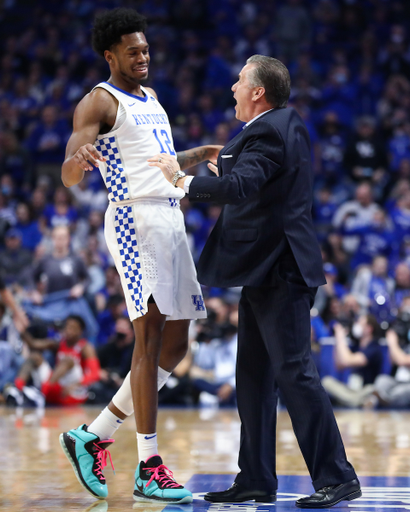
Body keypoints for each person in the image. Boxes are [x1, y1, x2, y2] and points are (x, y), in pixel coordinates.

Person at [154, 55, 361, 508]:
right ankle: (255, 478)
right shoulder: (275, 127)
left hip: (280, 271)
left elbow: (244, 185)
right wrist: (224, 166)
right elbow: (256, 180)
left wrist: (183, 182)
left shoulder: (270, 128)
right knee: (251, 377)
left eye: (240, 81)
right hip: (264, 271)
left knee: (296, 374)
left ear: (258, 92)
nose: (232, 87)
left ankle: (337, 475)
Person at [59, 8, 221, 504]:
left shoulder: (150, 97)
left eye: (146, 48)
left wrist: (204, 152)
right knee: (148, 338)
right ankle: (149, 464)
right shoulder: (97, 102)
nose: (143, 56)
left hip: (169, 214)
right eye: (133, 50)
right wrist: (77, 162)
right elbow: (68, 167)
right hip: (133, 221)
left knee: (177, 344)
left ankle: (95, 434)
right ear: (111, 56)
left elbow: (161, 164)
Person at [321, 315, 383, 407]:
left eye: (360, 323)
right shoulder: (356, 346)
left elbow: (347, 361)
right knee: (327, 382)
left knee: (371, 390)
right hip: (352, 389)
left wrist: (341, 337)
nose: (356, 325)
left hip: (366, 389)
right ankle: (358, 401)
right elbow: (339, 365)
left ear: (369, 329)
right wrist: (338, 340)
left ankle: (353, 400)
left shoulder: (374, 348)